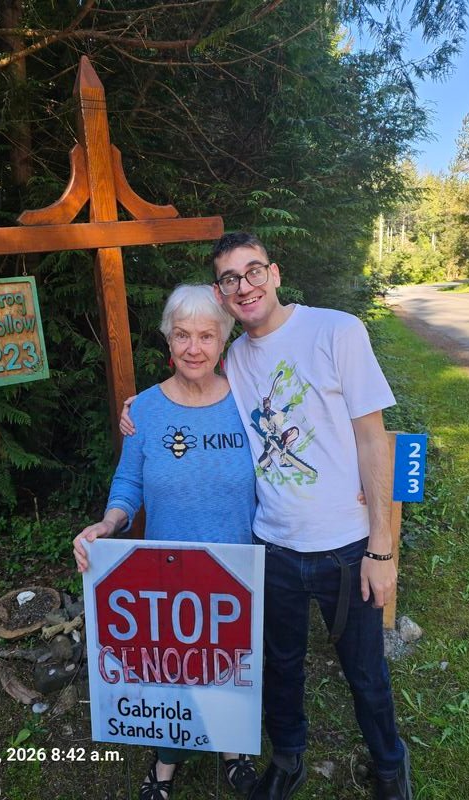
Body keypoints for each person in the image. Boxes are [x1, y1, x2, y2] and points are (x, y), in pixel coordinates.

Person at [210, 232, 412, 800]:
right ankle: (289, 759)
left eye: (253, 272)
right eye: (230, 279)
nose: (244, 286)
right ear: (221, 294)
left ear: (274, 274)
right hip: (273, 546)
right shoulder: (236, 358)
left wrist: (381, 546)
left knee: (366, 673)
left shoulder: (337, 330)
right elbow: (194, 391)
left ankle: (389, 766)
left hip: (347, 549)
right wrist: (140, 408)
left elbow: (373, 441)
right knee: (280, 666)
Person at [73, 284, 259, 800]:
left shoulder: (248, 402)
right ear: (168, 340)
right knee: (173, 669)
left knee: (230, 660)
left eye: (205, 335)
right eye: (182, 335)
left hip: (237, 567)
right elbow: (128, 484)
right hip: (169, 573)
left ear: (224, 340)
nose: (194, 347)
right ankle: (165, 764)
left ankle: (233, 749)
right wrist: (109, 526)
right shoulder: (147, 411)